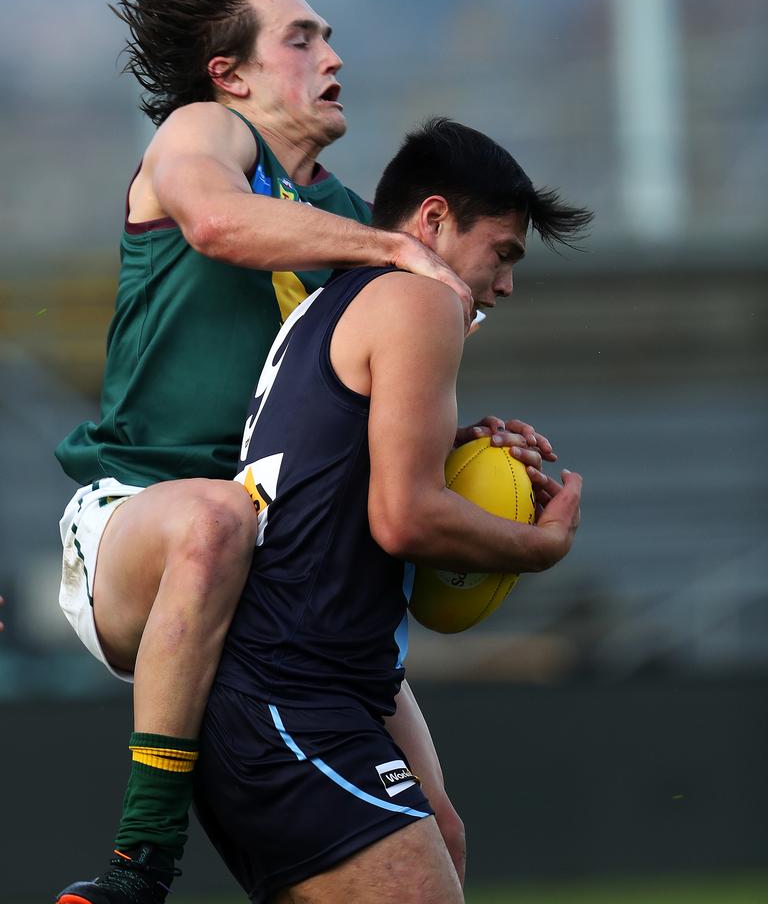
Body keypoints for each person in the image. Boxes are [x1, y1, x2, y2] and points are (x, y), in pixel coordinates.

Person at [52, 0, 556, 904]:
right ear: (231, 74)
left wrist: (462, 440)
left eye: (328, 32)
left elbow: (340, 402)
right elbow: (210, 222)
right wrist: (392, 249)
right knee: (213, 516)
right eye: (302, 37)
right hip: (137, 519)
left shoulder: (333, 211)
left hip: (274, 576)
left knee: (439, 827)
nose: (331, 53)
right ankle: (139, 861)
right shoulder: (203, 134)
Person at [193, 117, 589, 904]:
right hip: (290, 703)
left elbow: (347, 474)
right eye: (502, 253)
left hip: (286, 699)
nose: (506, 284)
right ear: (434, 220)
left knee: (441, 829)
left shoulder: (332, 298)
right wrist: (539, 544)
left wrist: (458, 450)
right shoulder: (418, 299)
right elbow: (404, 520)